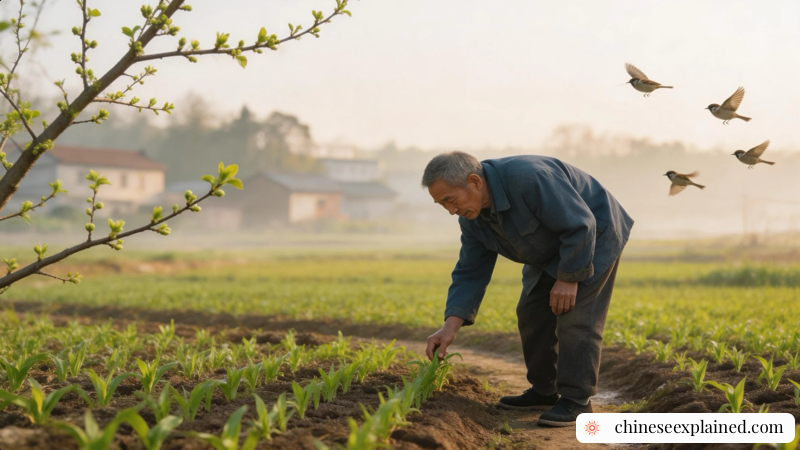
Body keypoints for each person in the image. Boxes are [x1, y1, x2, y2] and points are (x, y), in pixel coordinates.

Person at [421, 151, 633, 427]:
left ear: (474, 181)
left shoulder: (529, 178)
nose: (451, 210)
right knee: (531, 310)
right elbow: (470, 271)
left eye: (450, 200)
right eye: (441, 205)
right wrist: (449, 326)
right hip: (547, 250)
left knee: (576, 316)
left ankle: (576, 401)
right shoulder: (472, 219)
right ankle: (544, 391)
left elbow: (581, 225)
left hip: (593, 237)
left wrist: (568, 279)